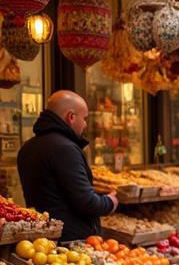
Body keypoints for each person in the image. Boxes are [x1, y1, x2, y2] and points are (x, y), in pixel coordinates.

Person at [17, 90, 118, 242]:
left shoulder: (27, 148)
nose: (85, 124)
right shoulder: (65, 148)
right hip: (70, 242)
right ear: (71, 117)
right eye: (84, 118)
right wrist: (111, 201)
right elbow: (86, 202)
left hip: (43, 241)